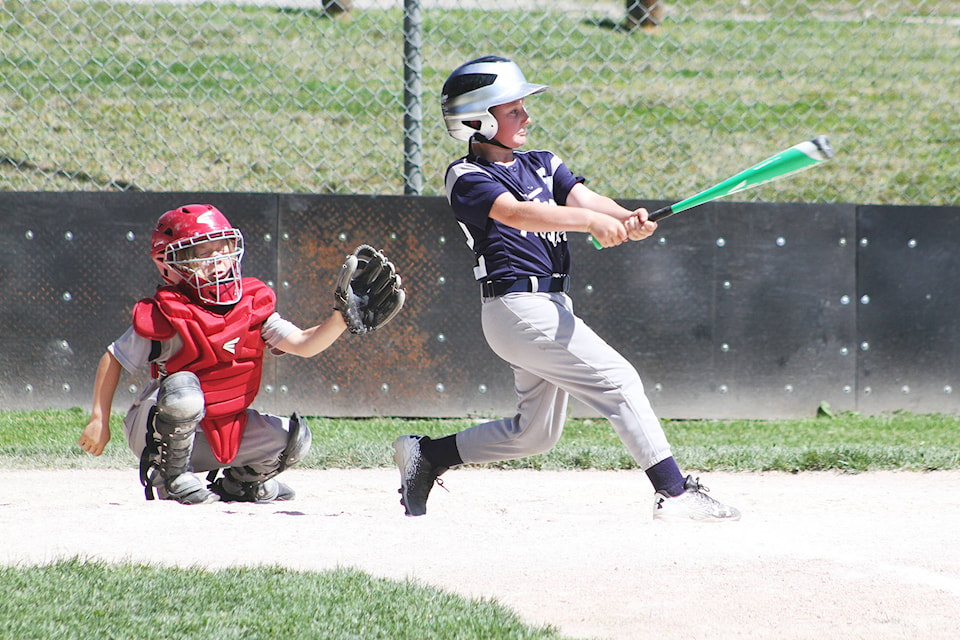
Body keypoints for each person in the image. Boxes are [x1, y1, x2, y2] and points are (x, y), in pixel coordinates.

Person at [391, 56, 739, 522]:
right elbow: (518, 214)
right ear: (478, 120)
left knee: (534, 434)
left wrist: (624, 218)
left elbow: (585, 200)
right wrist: (593, 223)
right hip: (516, 307)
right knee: (618, 380)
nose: (526, 117)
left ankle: (427, 456)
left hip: (552, 306)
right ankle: (674, 493)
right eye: (514, 110)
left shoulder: (543, 163)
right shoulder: (466, 176)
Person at [79, 204, 404, 505]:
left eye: (223, 249)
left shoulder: (253, 302)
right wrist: (99, 419)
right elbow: (115, 358)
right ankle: (170, 476)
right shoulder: (166, 312)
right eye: (203, 253)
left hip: (224, 423)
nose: (217, 260)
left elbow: (304, 343)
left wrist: (340, 318)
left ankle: (241, 484)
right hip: (158, 430)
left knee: (294, 438)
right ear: (169, 265)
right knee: (183, 389)